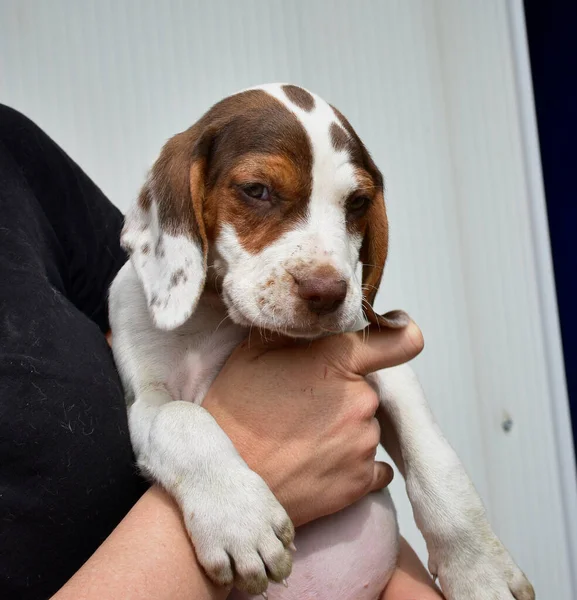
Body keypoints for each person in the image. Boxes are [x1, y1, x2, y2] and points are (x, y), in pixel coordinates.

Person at [0, 104, 442, 600]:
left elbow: (339, 409)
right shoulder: (156, 291)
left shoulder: (13, 154)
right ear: (189, 193)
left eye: (354, 202)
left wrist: (454, 544)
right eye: (257, 192)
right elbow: (148, 396)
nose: (324, 271)